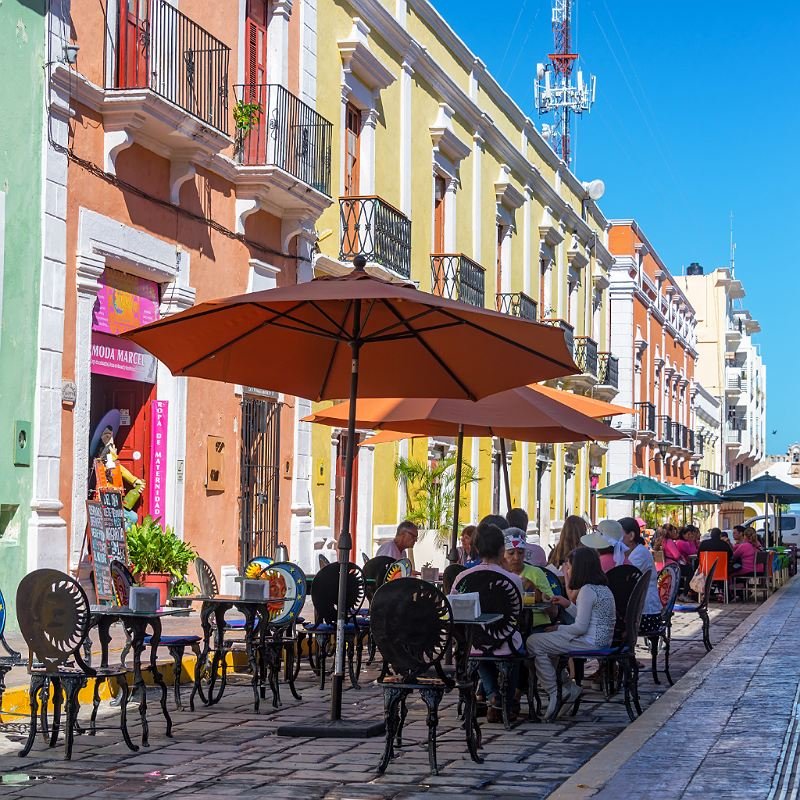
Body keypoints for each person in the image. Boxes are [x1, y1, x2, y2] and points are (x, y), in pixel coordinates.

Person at [526, 547, 616, 719]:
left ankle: (555, 691)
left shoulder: (587, 591)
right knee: (545, 645)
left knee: (533, 642)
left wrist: (558, 628)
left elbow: (581, 627)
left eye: (569, 566)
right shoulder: (602, 588)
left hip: (589, 641)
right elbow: (588, 619)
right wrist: (567, 605)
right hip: (601, 640)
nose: (567, 570)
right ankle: (567, 686)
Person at [453, 523, 523, 723]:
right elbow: (517, 614)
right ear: (502, 550)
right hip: (505, 643)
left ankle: (492, 694)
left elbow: (456, 610)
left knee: (479, 645)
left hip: (474, 644)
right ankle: (504, 702)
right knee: (516, 645)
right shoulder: (513, 579)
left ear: (476, 548)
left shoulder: (462, 577)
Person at [503, 528, 556, 631]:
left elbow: (554, 612)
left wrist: (537, 593)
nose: (516, 557)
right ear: (502, 553)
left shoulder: (536, 573)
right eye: (511, 553)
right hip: (508, 626)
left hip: (537, 626)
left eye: (520, 552)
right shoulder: (499, 573)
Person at [619, 517, 662, 634]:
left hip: (647, 615)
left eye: (619, 535)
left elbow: (624, 578)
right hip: (643, 612)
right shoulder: (634, 552)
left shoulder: (639, 554)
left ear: (631, 536)